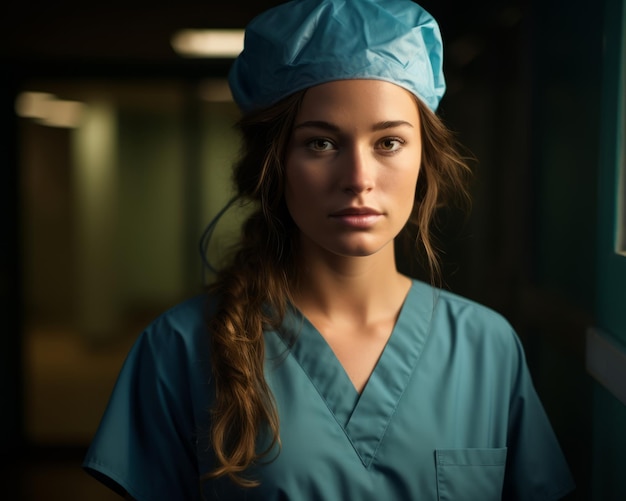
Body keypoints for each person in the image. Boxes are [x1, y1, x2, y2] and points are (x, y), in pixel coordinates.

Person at [83, 0, 576, 499]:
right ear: (273, 165)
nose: (358, 179)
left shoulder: (486, 347)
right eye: (321, 144)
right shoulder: (181, 348)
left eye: (388, 143)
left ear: (425, 160)